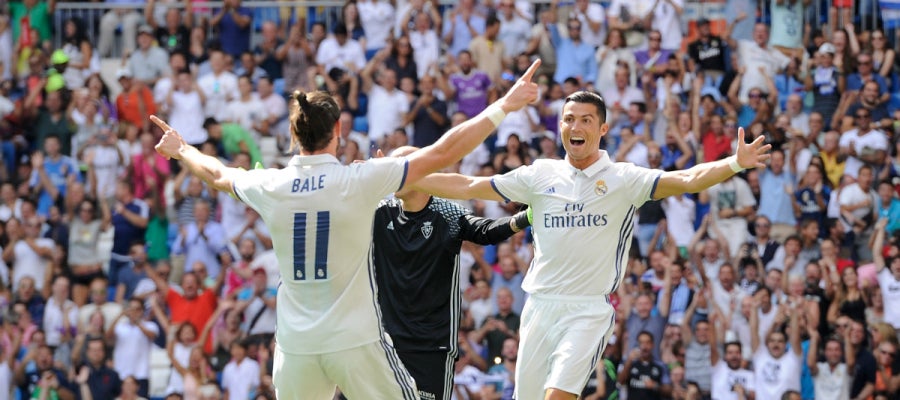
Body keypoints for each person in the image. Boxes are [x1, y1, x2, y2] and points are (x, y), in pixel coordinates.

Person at [149, 60, 541, 399]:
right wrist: (506, 104)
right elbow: (443, 152)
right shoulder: (358, 180)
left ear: (292, 135)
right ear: (338, 130)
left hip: (295, 346)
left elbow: (217, 174)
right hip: (355, 342)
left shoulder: (269, 185)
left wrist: (182, 150)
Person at [409, 90, 771, 399]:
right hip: (538, 306)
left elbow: (688, 178)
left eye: (585, 120)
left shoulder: (625, 179)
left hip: (587, 311)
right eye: (568, 119)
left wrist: (735, 163)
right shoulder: (540, 174)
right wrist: (408, 177)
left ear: (603, 129)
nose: (575, 127)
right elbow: (471, 186)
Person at [373, 145, 530, 400]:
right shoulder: (379, 212)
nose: (393, 175)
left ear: (424, 171)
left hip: (432, 347)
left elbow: (487, 230)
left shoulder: (447, 213)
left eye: (399, 167)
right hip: (386, 344)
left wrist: (528, 215)